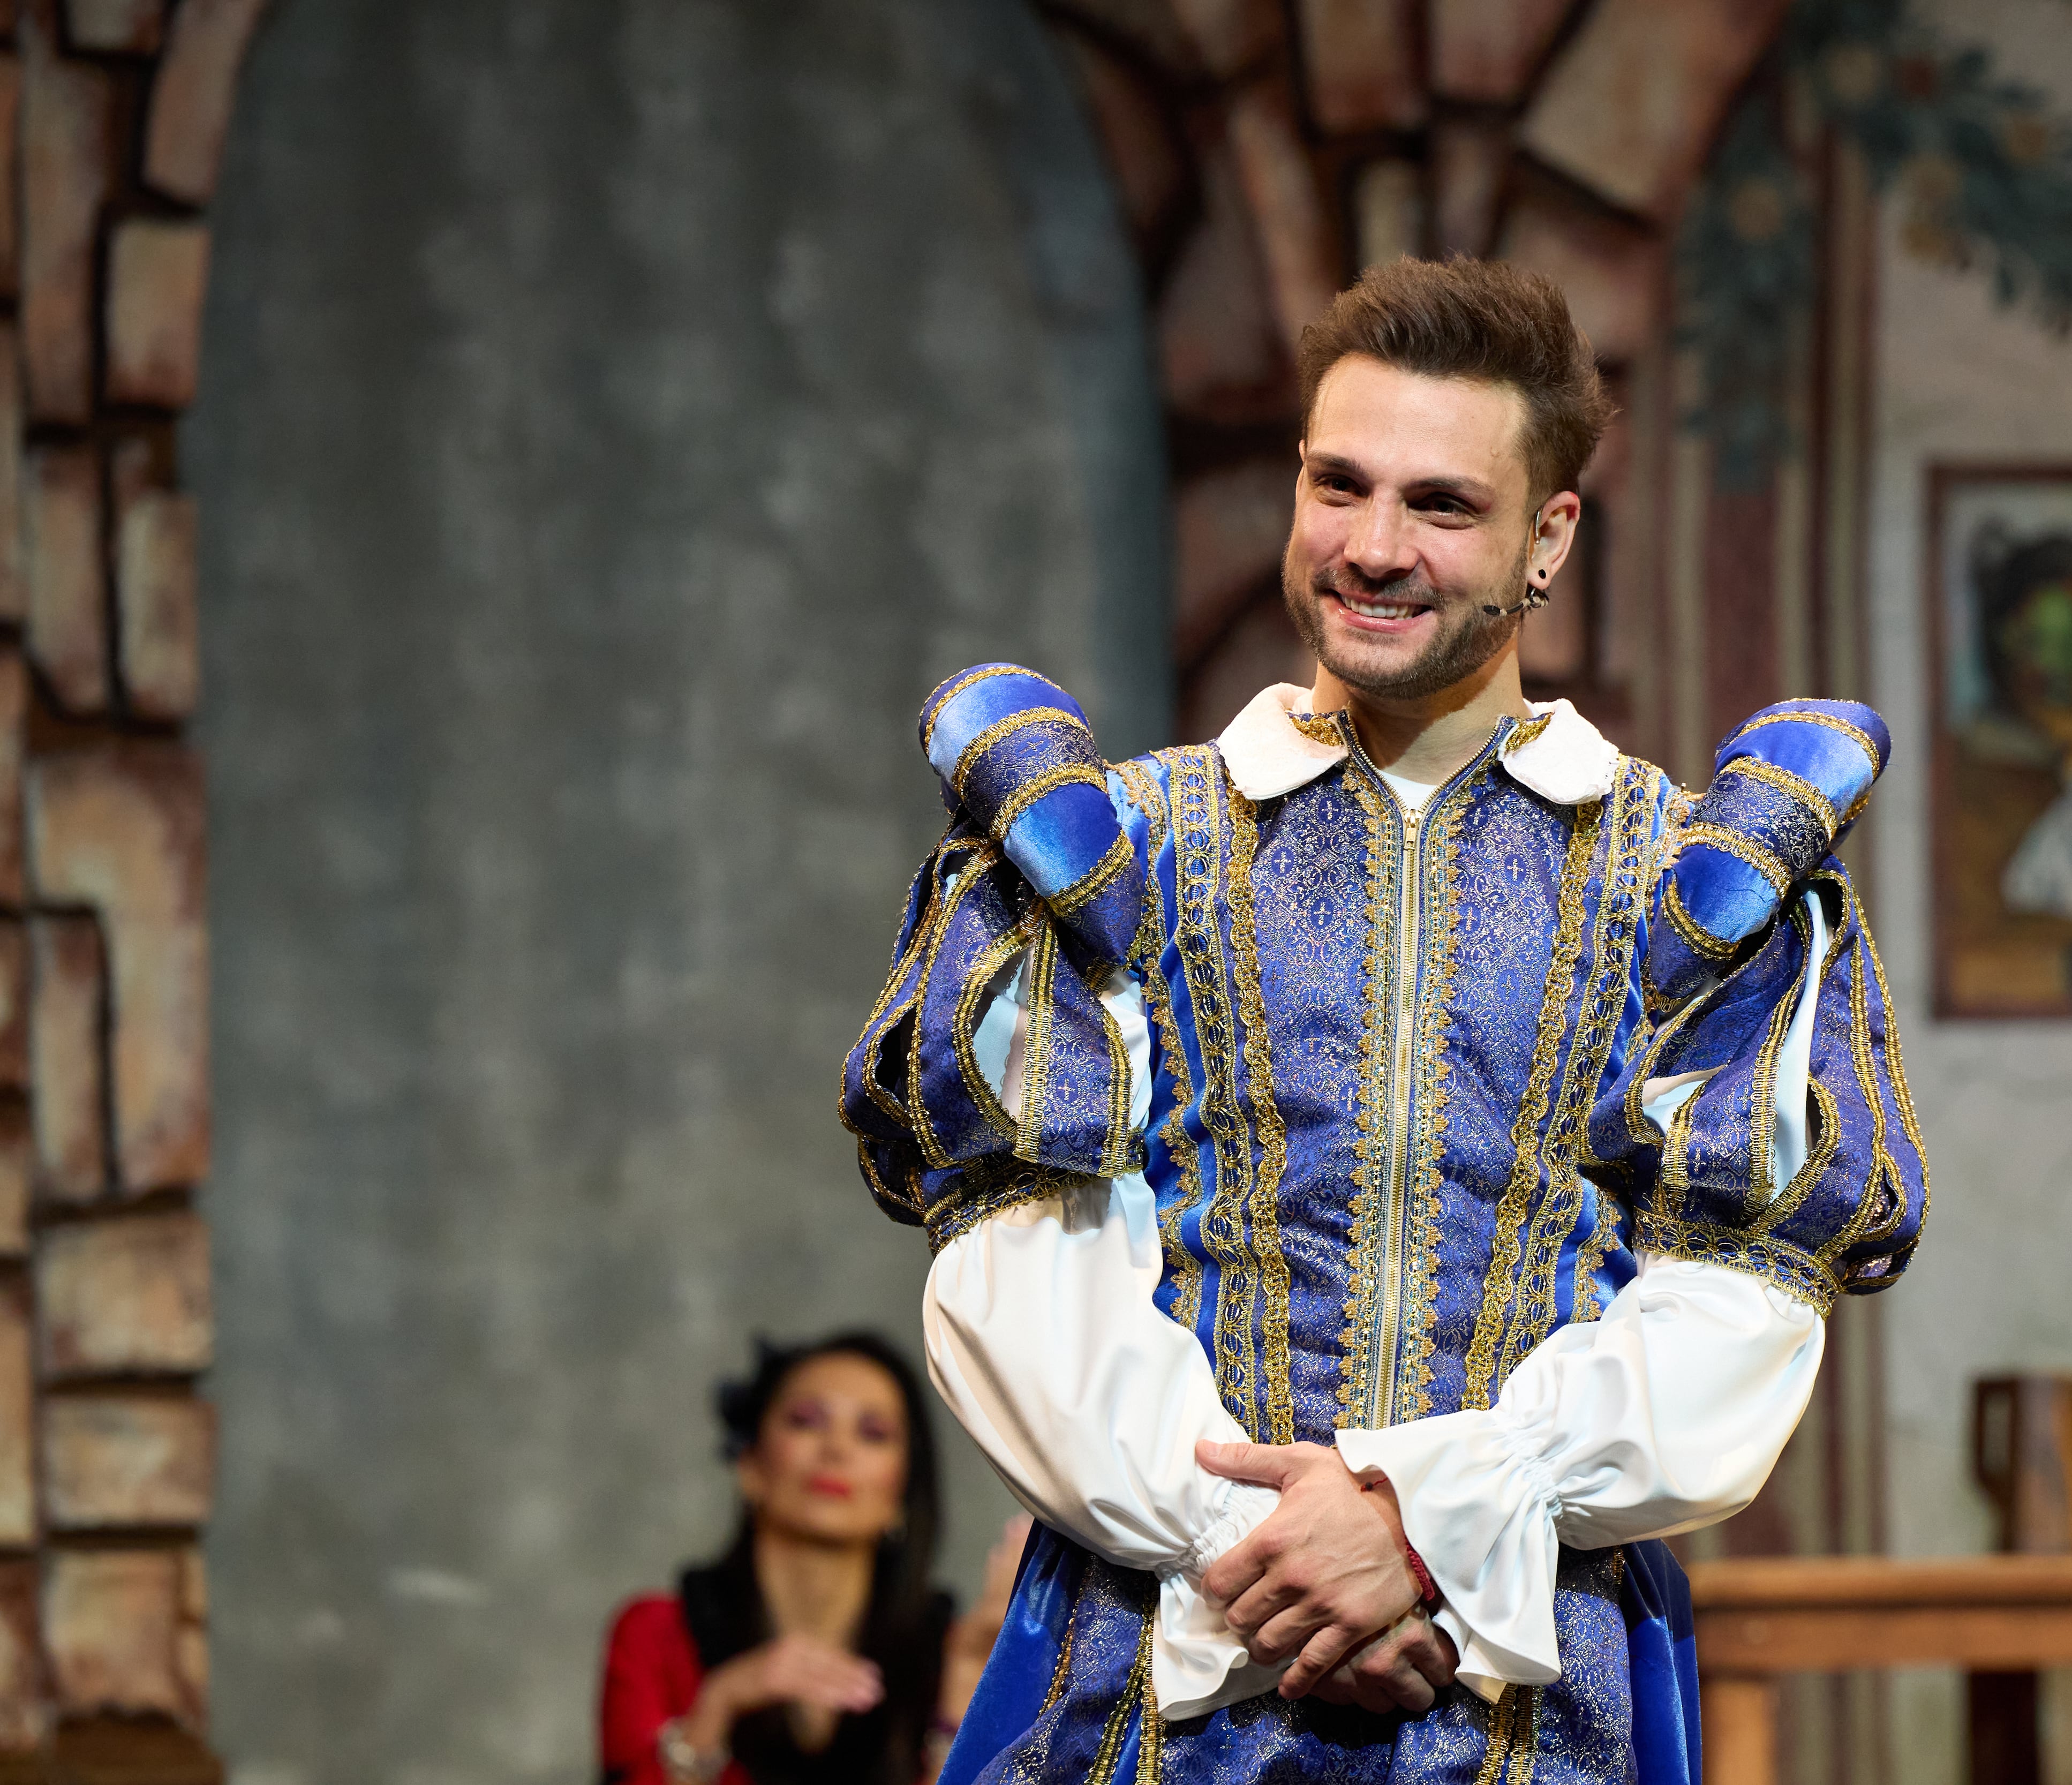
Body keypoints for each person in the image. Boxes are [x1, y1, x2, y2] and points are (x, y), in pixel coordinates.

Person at [839, 255, 1929, 1784]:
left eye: (1441, 504)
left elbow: (1733, 1317)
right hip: (1160, 1667)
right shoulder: (1117, 848)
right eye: (1337, 484)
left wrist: (1426, 1525)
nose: (1371, 546)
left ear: (1550, 537)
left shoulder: (1688, 882)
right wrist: (1271, 1553)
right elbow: (1022, 1281)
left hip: (1529, 1685)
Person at [599, 1330, 1026, 1785]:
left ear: (903, 1492)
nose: (836, 1449)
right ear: (750, 1464)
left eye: (873, 1433)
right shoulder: (655, 1634)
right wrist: (718, 1704)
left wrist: (964, 1679)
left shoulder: (950, 1653)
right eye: (806, 1421)